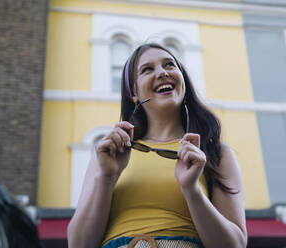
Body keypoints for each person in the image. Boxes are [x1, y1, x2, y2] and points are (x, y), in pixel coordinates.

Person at [67, 43, 247, 248]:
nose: (162, 73)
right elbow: (78, 244)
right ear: (133, 93)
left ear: (183, 82)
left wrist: (191, 190)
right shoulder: (109, 155)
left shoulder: (215, 154)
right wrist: (107, 178)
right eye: (147, 69)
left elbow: (235, 245)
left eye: (170, 65)